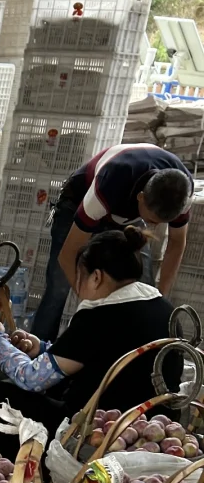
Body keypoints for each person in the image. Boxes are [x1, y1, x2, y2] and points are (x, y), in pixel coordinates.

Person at [0, 226, 178, 456]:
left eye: (79, 276)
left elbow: (31, 378)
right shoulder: (164, 308)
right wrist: (41, 348)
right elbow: (98, 355)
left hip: (99, 432)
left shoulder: (99, 317)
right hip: (157, 426)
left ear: (96, 276)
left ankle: (19, 476)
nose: (77, 287)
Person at [31, 144, 193, 342]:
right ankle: (36, 353)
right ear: (140, 198)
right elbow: (67, 255)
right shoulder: (110, 183)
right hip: (78, 202)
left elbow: (176, 244)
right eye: (152, 221)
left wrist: (162, 294)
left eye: (161, 223)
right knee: (59, 286)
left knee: (144, 290)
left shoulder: (180, 192)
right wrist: (91, 305)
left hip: (126, 215)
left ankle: (130, 357)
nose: (155, 227)